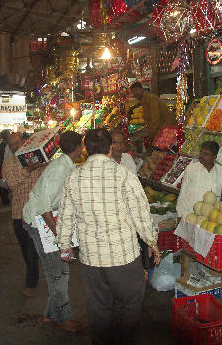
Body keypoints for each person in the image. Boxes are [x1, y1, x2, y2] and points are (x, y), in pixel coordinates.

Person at [57, 128, 160, 345]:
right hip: (124, 258)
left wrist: (64, 244)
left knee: (99, 309)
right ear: (111, 148)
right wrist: (151, 242)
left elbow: (65, 215)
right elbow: (141, 214)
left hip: (91, 260)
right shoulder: (125, 175)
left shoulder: (74, 177)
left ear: (85, 149)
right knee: (129, 305)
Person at [22, 131, 86, 333]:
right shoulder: (59, 168)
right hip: (38, 221)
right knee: (58, 273)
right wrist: (60, 235)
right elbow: (43, 205)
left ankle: (51, 314)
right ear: (78, 147)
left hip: (43, 221)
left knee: (56, 271)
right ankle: (62, 318)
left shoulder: (66, 165)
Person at [2, 132, 44, 297]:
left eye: (18, 143)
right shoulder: (8, 164)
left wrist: (43, 164)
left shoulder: (35, 157)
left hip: (38, 212)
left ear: (24, 142)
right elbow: (11, 184)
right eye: (12, 145)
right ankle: (33, 273)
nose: (15, 147)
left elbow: (46, 175)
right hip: (19, 213)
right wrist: (29, 169)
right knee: (26, 250)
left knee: (32, 249)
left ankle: (31, 282)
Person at [109, 128, 151, 279]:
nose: (118, 147)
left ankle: (140, 275)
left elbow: (135, 184)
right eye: (114, 143)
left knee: (138, 248)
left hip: (132, 212)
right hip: (115, 216)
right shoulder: (105, 163)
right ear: (108, 144)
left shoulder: (127, 159)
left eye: (121, 143)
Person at [176, 141, 222, 220]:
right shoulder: (191, 169)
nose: (201, 156)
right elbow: (183, 192)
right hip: (190, 216)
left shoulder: (221, 171)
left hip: (211, 218)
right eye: (201, 152)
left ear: (214, 157)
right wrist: (179, 214)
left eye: (206, 154)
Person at [0, 130, 13, 205]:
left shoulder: (4, 144)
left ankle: (6, 200)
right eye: (8, 134)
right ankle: (5, 201)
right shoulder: (5, 144)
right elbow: (4, 158)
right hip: (4, 166)